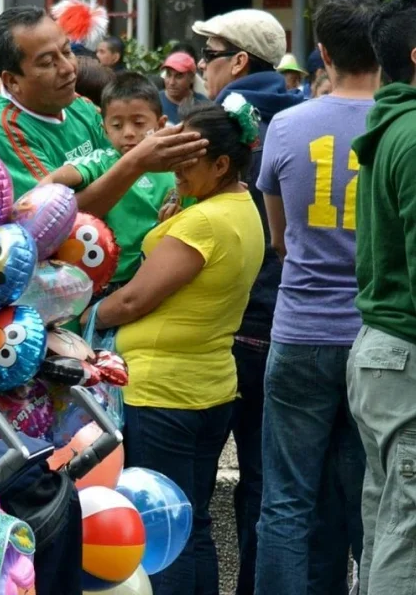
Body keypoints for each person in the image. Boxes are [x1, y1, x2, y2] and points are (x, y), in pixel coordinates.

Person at [83, 99, 265, 595]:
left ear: (222, 165)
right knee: (192, 521)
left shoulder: (203, 223)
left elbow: (136, 299)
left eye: (186, 160)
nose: (173, 169)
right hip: (206, 387)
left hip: (164, 393)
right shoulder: (240, 204)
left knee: (165, 528)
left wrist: (88, 314)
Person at [256, 0, 381, 594]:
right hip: (375, 338)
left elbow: (278, 238)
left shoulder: (287, 124)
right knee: (370, 500)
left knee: (285, 500)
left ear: (323, 55)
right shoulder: (400, 125)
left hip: (300, 329)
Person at [192, 11, 304, 593]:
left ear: (237, 62)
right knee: (266, 480)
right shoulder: (307, 114)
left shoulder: (212, 125)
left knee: (192, 478)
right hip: (289, 321)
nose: (201, 67)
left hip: (220, 322)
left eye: (208, 54)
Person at [349, 0, 416, 593]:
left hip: (383, 354)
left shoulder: (392, 123)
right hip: (404, 358)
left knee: (388, 526)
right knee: (407, 536)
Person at [42, 73, 187, 290]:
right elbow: (64, 175)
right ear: (105, 129)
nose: (128, 133)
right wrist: (46, 185)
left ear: (160, 124)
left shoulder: (174, 167)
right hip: (109, 281)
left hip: (156, 276)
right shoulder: (102, 161)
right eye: (117, 126)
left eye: (138, 123)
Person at [0, 6, 110, 198]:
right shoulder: (0, 127)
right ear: (12, 81)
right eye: (47, 62)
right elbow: (48, 212)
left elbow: (117, 157)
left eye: (67, 51)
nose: (68, 68)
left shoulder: (82, 106)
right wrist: (135, 163)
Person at [160, 52, 208, 125]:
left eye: (179, 76)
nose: (171, 82)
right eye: (168, 75)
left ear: (191, 78)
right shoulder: (154, 103)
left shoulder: (204, 106)